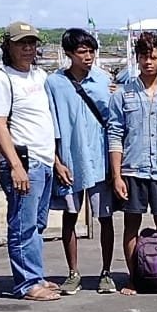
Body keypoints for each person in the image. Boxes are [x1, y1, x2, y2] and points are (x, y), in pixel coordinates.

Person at [0, 22, 60, 301]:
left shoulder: (39, 76)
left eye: (31, 42)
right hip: (25, 162)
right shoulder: (0, 79)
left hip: (44, 161)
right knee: (22, 225)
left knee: (37, 225)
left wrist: (56, 161)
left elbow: (44, 122)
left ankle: (35, 274)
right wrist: (16, 166)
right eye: (21, 43)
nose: (28, 48)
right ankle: (27, 283)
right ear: (8, 46)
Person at [108, 32, 157, 296]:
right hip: (132, 170)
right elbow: (115, 134)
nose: (148, 62)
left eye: (153, 57)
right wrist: (116, 176)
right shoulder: (123, 94)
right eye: (143, 57)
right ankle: (135, 278)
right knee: (132, 225)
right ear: (137, 59)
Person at [46, 28, 116, 295]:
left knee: (105, 217)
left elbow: (114, 121)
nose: (88, 57)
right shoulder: (54, 83)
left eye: (91, 51)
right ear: (68, 53)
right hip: (71, 160)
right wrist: (57, 161)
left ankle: (106, 272)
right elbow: (50, 124)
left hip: (100, 160)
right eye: (82, 52)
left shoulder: (103, 79)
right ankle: (73, 272)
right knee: (70, 216)